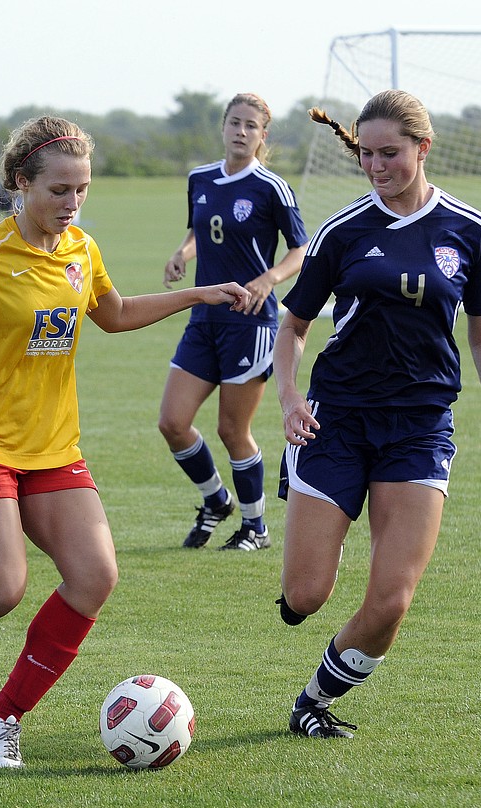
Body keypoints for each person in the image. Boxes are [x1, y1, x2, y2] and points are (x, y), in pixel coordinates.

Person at [0, 116, 250, 769]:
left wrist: (197, 295)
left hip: (53, 447)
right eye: (59, 190)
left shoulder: (81, 250)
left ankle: (4, 716)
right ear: (22, 182)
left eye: (82, 190)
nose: (72, 203)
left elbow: (113, 314)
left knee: (95, 576)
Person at [272, 90, 481, 739]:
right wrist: (289, 397)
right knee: (305, 595)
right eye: (366, 154)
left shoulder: (471, 231)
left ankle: (312, 702)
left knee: (391, 600)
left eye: (388, 153)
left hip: (419, 427)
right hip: (336, 419)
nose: (375, 166)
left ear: (423, 147)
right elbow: (294, 326)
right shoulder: (342, 231)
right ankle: (312, 554)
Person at [160, 93, 309, 551]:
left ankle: (255, 527)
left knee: (231, 429)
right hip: (203, 318)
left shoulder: (271, 187)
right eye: (234, 122)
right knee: (172, 422)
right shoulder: (200, 178)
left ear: (263, 135)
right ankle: (215, 500)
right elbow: (201, 231)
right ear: (223, 126)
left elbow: (300, 250)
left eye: (251, 126)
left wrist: (268, 279)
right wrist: (181, 254)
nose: (241, 132)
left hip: (250, 323)